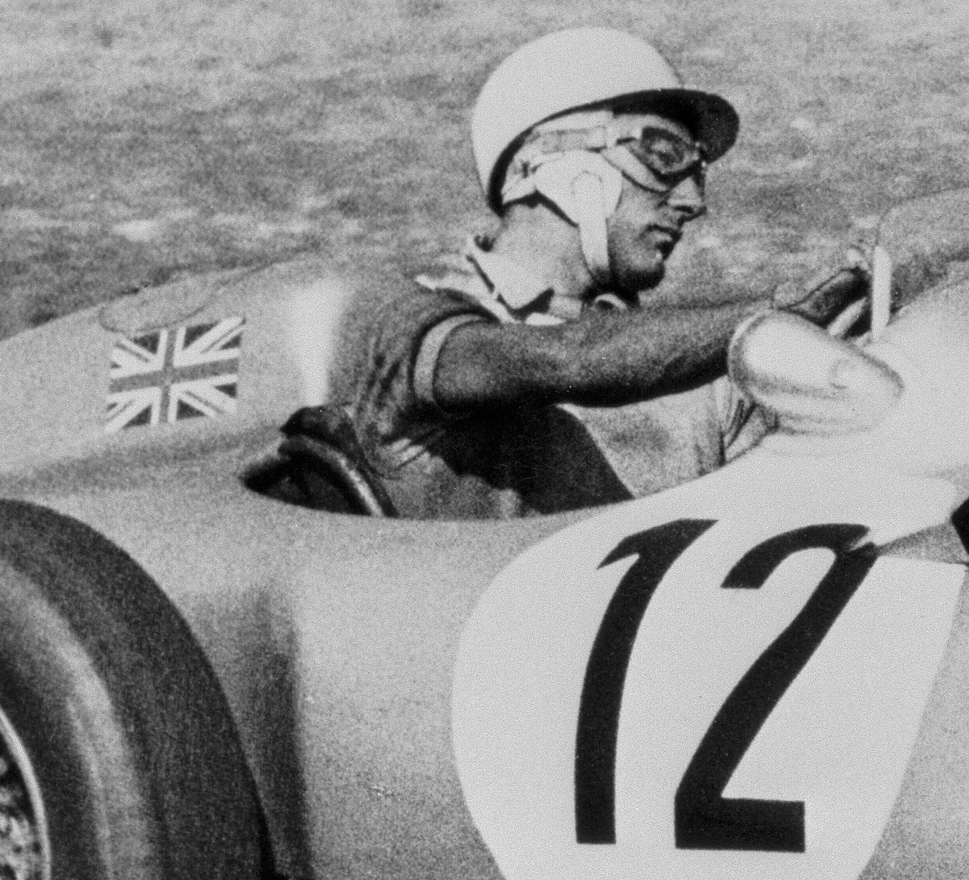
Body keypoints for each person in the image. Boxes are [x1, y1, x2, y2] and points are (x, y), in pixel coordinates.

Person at [339, 27, 792, 519]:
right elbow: (570, 359)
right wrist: (778, 317)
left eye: (696, 172)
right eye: (663, 156)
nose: (693, 202)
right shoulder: (408, 327)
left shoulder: (706, 380)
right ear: (549, 163)